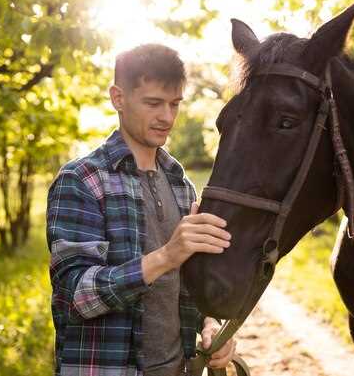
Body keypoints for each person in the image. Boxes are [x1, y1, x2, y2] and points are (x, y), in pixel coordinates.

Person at [46, 44, 237, 376]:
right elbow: (76, 296)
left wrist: (211, 326)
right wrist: (166, 256)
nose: (167, 117)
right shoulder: (81, 180)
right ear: (118, 98)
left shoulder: (181, 186)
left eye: (174, 104)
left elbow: (188, 287)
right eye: (153, 103)